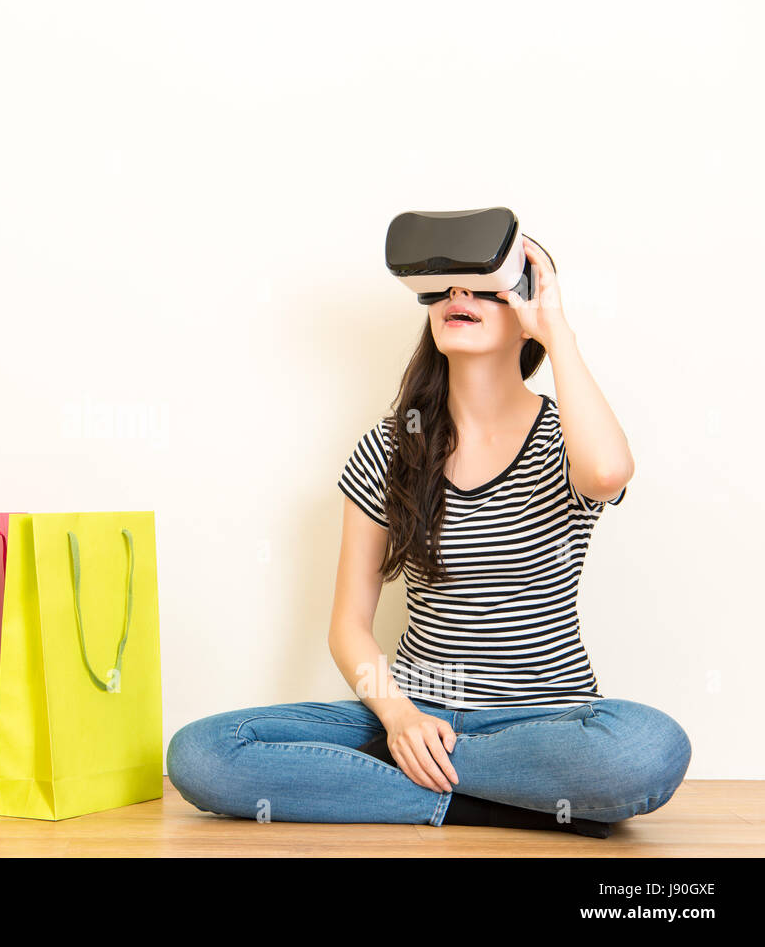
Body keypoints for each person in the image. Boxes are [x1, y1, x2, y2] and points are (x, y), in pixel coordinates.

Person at [166, 237, 691, 836]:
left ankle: (413, 786)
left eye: (482, 284)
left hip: (548, 722)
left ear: (525, 309)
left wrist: (557, 333)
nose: (458, 294)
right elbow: (348, 628)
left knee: (646, 748)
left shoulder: (563, 438)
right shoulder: (389, 449)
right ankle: (493, 801)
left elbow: (607, 473)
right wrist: (399, 719)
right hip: (414, 713)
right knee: (203, 753)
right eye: (445, 285)